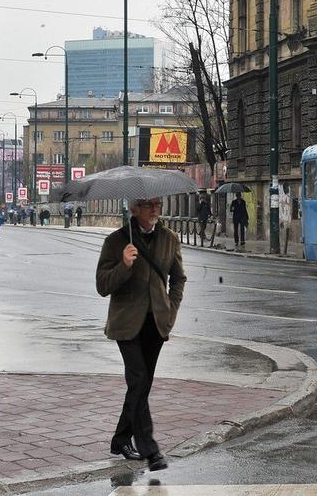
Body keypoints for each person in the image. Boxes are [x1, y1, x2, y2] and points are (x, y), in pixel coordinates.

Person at [95, 198, 186, 471]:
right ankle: (150, 449)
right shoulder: (116, 241)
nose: (155, 209)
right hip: (126, 323)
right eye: (148, 205)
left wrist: (171, 310)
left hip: (156, 322)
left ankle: (120, 438)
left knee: (141, 384)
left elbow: (178, 278)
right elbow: (102, 285)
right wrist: (124, 265)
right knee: (137, 378)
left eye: (157, 204)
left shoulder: (170, 238)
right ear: (134, 209)